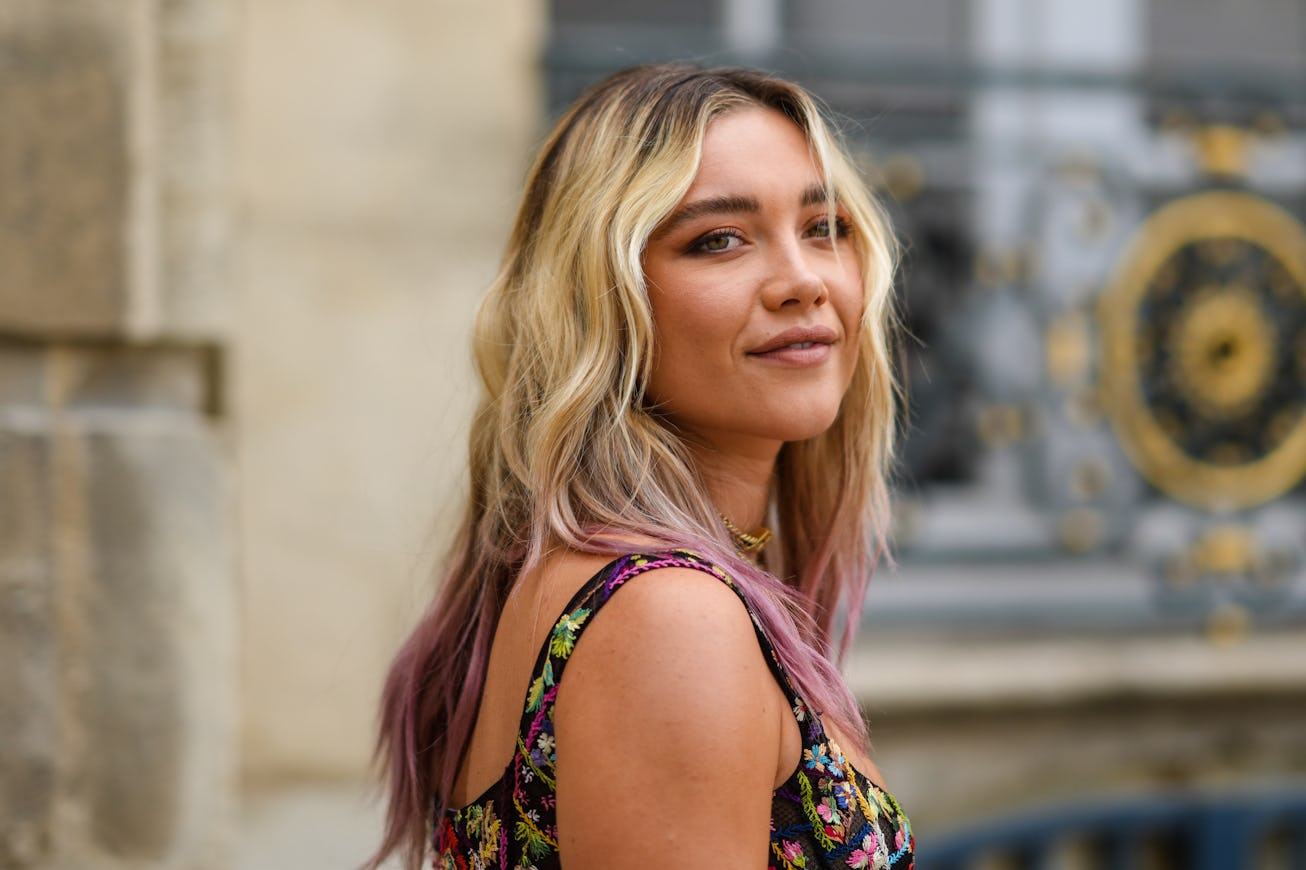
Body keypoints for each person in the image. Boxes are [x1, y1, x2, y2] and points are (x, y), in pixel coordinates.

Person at [367, 64, 911, 870]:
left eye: (823, 226)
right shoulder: (668, 617)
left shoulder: (610, 583)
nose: (803, 280)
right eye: (717, 240)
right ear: (603, 301)